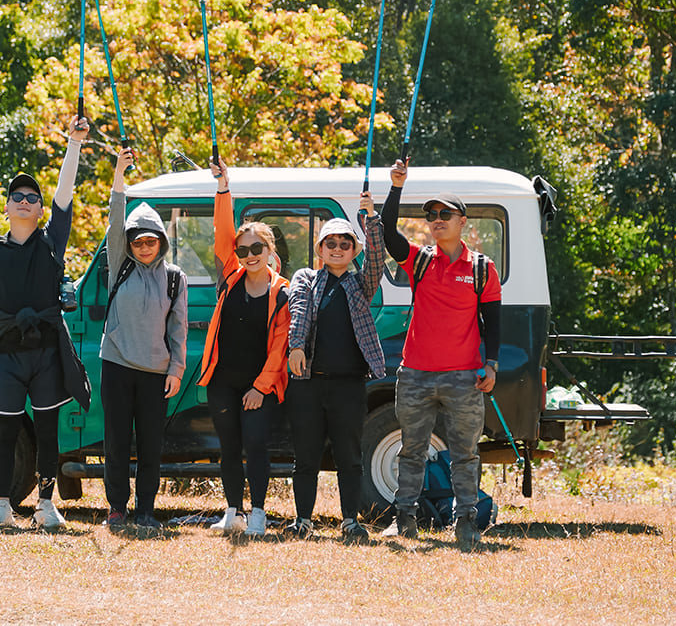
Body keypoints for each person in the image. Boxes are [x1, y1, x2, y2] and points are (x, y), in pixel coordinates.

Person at [0, 115, 91, 530]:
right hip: (7, 353)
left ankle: (45, 504)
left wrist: (73, 144)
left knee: (49, 428)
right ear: (5, 207)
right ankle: (2, 504)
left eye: (32, 197)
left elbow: (65, 193)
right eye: (16, 195)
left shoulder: (53, 242)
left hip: (48, 350)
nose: (25, 200)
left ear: (40, 210)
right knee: (6, 431)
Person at [380, 159, 501, 548]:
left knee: (466, 454)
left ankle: (466, 523)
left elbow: (493, 322)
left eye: (444, 214)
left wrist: (492, 365)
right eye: (431, 215)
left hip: (464, 377)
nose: (436, 219)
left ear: (462, 220)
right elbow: (387, 233)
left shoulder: (483, 269)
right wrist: (396, 187)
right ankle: (405, 520)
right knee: (411, 451)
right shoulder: (419, 260)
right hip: (414, 374)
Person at [284, 193, 386, 542]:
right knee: (306, 455)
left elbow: (376, 260)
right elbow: (297, 311)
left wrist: (370, 219)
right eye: (331, 243)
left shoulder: (360, 284)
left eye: (345, 243)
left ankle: (349, 521)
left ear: (353, 250)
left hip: (349, 384)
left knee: (349, 456)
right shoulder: (305, 279)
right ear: (320, 249)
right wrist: (295, 346)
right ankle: (303, 521)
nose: (338, 248)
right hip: (309, 383)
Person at [198, 158, 290, 537]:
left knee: (255, 443)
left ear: (269, 250)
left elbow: (280, 348)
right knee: (229, 445)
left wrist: (260, 387)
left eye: (256, 248)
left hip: (260, 386)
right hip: (223, 379)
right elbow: (222, 231)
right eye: (243, 249)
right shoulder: (230, 277)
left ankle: (257, 512)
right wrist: (223, 187)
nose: (249, 254)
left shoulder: (281, 292)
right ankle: (232, 510)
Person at [100, 147, 189, 530]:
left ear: (162, 241)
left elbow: (178, 327)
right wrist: (120, 173)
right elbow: (115, 216)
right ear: (129, 243)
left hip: (156, 372)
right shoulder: (119, 265)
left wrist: (176, 368)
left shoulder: (175, 277)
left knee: (150, 446)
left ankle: (146, 511)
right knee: (117, 442)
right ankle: (117, 508)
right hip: (117, 364)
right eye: (137, 241)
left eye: (151, 240)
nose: (144, 246)